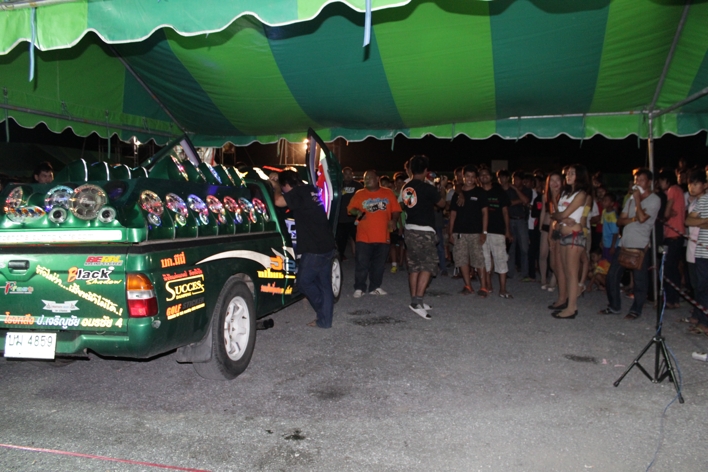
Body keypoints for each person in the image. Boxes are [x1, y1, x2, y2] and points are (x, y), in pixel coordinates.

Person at [272, 170, 336, 328]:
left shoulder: (298, 192)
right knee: (324, 284)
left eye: (284, 187)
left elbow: (278, 201)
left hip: (314, 249)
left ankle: (323, 310)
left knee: (303, 283)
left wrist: (276, 186)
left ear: (287, 185)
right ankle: (325, 320)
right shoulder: (310, 189)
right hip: (326, 244)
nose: (284, 191)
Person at [600, 168, 661, 320]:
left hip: (640, 243)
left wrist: (637, 201)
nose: (637, 183)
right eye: (636, 180)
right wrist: (633, 218)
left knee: (640, 279)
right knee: (612, 275)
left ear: (649, 182)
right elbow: (620, 221)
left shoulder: (654, 200)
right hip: (624, 242)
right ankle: (614, 306)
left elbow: (642, 218)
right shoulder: (631, 199)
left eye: (641, 180)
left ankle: (636, 309)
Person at [400, 155, 447, 319]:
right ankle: (417, 302)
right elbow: (442, 204)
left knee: (414, 266)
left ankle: (415, 299)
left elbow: (410, 205)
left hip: (410, 229)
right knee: (428, 265)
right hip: (424, 230)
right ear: (426, 171)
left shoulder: (406, 187)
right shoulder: (427, 188)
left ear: (411, 169)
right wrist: (442, 188)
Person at [347, 170, 401, 298]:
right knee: (362, 263)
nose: (367, 180)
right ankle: (359, 287)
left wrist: (394, 220)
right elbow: (350, 209)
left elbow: (396, 209)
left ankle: (375, 287)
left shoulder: (388, 193)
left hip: (383, 235)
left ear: (377, 179)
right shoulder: (360, 194)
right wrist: (357, 212)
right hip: (364, 236)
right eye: (365, 178)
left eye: (369, 178)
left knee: (379, 264)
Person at [550, 164, 590, 319]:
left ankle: (572, 308)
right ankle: (568, 304)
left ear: (580, 176)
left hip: (574, 235)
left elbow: (561, 214)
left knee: (572, 273)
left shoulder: (581, 194)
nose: (568, 176)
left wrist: (561, 217)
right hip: (563, 234)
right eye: (567, 173)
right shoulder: (566, 193)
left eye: (572, 173)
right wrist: (561, 217)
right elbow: (556, 214)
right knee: (566, 271)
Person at [448, 165, 489, 297]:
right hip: (460, 231)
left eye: (472, 176)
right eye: (467, 176)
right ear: (463, 177)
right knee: (461, 259)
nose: (470, 179)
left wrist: (484, 232)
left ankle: (483, 287)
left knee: (478, 259)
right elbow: (453, 213)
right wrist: (450, 232)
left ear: (476, 178)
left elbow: (485, 213)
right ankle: (468, 285)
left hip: (475, 232)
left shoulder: (480, 192)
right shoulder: (457, 193)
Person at [478, 165, 513, 298]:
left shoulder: (499, 192)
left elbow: (505, 212)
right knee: (485, 259)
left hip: (498, 230)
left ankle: (503, 289)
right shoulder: (478, 192)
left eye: (486, 174)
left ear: (491, 177)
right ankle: (488, 285)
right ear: (478, 178)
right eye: (481, 174)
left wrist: (507, 231)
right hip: (482, 231)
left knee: (501, 259)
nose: (484, 176)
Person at [658, 168, 686, 309]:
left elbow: (666, 213)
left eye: (661, 180)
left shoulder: (673, 190)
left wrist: (665, 215)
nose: (660, 183)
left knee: (668, 268)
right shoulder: (678, 190)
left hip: (672, 235)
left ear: (667, 180)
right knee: (672, 267)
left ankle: (671, 299)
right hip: (675, 235)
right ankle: (674, 299)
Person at [684, 169, 708, 333]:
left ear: (704, 185)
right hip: (700, 251)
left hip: (703, 249)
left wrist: (699, 221)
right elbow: (688, 220)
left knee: (704, 287)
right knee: (700, 286)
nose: (692, 187)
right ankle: (701, 319)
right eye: (690, 184)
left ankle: (704, 322)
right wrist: (704, 221)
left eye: (696, 183)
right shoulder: (702, 200)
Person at [500, 169, 531, 279]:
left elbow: (526, 200)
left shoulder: (526, 190)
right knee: (510, 248)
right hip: (510, 219)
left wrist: (517, 190)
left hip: (521, 220)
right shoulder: (508, 190)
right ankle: (510, 272)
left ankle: (525, 273)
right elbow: (507, 203)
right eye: (513, 179)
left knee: (524, 248)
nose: (514, 181)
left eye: (517, 179)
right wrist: (520, 200)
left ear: (522, 181)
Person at [539, 172, 562, 292]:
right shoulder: (545, 196)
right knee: (543, 253)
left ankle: (554, 280)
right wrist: (540, 225)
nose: (555, 183)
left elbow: (558, 212)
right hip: (546, 226)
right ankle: (543, 279)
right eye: (552, 180)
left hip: (557, 227)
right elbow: (543, 211)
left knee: (555, 255)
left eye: (557, 180)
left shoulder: (564, 196)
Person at [336, 167, 363, 261]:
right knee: (340, 240)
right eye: (345, 174)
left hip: (354, 219)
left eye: (349, 174)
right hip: (340, 218)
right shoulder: (338, 185)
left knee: (358, 239)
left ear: (352, 175)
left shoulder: (358, 186)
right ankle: (340, 257)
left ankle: (361, 257)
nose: (347, 176)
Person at [600, 192, 620, 261]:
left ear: (612, 203)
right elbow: (604, 227)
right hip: (606, 242)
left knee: (609, 262)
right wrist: (602, 240)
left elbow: (615, 232)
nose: (603, 202)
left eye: (606, 201)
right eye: (603, 200)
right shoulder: (604, 212)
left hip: (611, 244)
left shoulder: (613, 216)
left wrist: (613, 246)